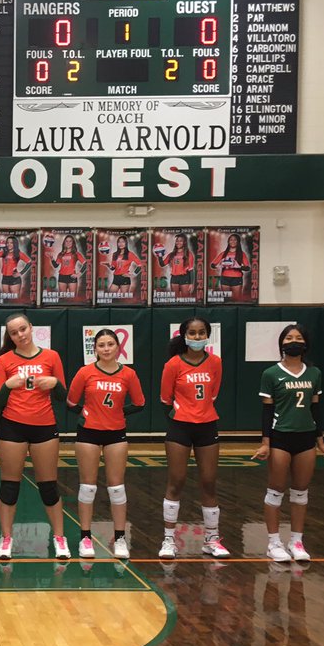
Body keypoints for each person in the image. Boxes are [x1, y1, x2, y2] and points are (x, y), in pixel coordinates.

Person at [251, 324, 324, 563]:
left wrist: (321, 441)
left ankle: (297, 541)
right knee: (276, 489)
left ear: (305, 343)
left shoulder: (314, 373)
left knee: (300, 491)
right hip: (280, 436)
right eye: (289, 337)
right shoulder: (271, 373)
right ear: (281, 343)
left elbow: (316, 409)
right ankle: (273, 542)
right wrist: (265, 442)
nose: (293, 341)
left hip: (306, 437)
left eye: (298, 337)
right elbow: (267, 412)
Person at [0, 313, 68, 560]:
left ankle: (59, 538)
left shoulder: (51, 356)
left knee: (48, 487)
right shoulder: (4, 360)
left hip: (44, 426)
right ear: (10, 336)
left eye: (23, 329)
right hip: (12, 427)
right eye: (14, 333)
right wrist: (8, 386)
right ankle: (6, 539)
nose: (20, 335)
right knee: (9, 486)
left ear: (31, 327)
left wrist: (54, 382)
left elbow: (63, 396)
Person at [66, 329, 145, 560]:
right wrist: (87, 413)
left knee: (117, 488)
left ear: (118, 347)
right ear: (95, 349)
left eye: (110, 344)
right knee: (87, 487)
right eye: (101, 345)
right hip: (88, 433)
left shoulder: (128, 374)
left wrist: (118, 412)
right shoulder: (85, 372)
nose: (106, 348)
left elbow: (139, 403)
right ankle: (85, 538)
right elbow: (71, 401)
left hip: (116, 433)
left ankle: (119, 538)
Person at [159, 317, 226, 559]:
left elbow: (214, 393)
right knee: (176, 482)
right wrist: (182, 415)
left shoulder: (215, 362)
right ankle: (168, 539)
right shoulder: (173, 364)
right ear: (184, 336)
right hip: (180, 428)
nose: (197, 337)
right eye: (193, 333)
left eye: (201, 333)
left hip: (207, 426)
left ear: (207, 335)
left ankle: (211, 539)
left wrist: (200, 412)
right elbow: (165, 399)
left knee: (209, 482)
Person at [210, 233, 251, 300]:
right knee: (226, 299)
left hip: (237, 278)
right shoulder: (223, 253)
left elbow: (247, 268)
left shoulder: (241, 254)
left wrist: (239, 267)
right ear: (228, 242)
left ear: (238, 242)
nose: (233, 241)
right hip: (225, 278)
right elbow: (212, 265)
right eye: (231, 240)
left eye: (235, 240)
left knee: (236, 299)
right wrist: (218, 266)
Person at [162, 233, 197, 298]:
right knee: (175, 298)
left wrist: (191, 283)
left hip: (185, 278)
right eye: (177, 241)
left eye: (181, 241)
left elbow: (191, 270)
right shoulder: (171, 254)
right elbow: (162, 264)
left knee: (186, 298)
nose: (178, 242)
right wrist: (159, 256)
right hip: (174, 278)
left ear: (184, 242)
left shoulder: (189, 254)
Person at [51, 234, 85, 298]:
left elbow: (85, 264)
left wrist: (79, 274)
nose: (68, 243)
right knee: (63, 298)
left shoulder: (76, 254)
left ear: (73, 243)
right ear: (64, 243)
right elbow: (55, 265)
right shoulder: (60, 254)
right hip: (62, 277)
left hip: (71, 277)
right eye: (66, 241)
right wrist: (52, 259)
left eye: (70, 241)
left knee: (73, 298)